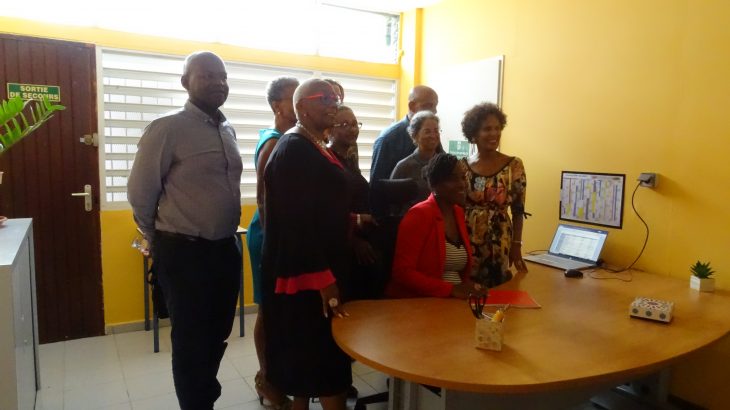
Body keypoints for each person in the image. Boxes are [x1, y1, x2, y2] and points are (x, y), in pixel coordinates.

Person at [127, 51, 242, 410]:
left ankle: (204, 396)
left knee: (218, 332)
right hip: (184, 252)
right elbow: (140, 193)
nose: (218, 83)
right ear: (185, 82)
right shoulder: (167, 129)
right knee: (192, 341)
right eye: (207, 75)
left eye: (223, 76)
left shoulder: (227, 130)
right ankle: (197, 403)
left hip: (225, 249)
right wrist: (158, 239)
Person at [262, 78, 351, 410]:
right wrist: (324, 279)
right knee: (324, 363)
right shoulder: (293, 150)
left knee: (308, 364)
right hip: (309, 276)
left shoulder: (312, 145)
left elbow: (320, 205)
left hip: (321, 265)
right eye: (324, 98)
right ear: (301, 107)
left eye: (335, 98)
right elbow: (296, 222)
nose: (333, 103)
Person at [246, 76, 299, 408]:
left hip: (284, 234)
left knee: (281, 310)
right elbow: (264, 199)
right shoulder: (273, 142)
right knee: (268, 309)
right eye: (293, 99)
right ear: (277, 106)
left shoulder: (294, 138)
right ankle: (266, 379)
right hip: (269, 235)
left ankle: (278, 375)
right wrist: (274, 245)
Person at [386, 153, 480, 299]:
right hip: (422, 303)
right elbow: (402, 272)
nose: (462, 184)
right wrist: (451, 290)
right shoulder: (418, 215)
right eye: (453, 179)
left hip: (453, 303)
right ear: (435, 184)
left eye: (463, 177)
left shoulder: (458, 213)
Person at [460, 102, 528, 288]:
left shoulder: (514, 165)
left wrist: (516, 245)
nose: (494, 133)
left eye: (497, 128)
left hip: (499, 239)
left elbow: (519, 209)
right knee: (467, 290)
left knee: (498, 291)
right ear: (474, 134)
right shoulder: (462, 166)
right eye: (487, 129)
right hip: (467, 238)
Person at [326, 105, 379, 299]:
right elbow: (329, 211)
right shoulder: (328, 161)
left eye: (355, 124)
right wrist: (354, 241)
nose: (352, 129)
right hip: (344, 245)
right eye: (344, 125)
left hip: (361, 239)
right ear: (329, 130)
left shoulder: (349, 159)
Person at [369, 85, 438, 182]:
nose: (435, 111)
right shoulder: (388, 138)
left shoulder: (433, 135)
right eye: (429, 106)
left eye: (435, 106)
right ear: (412, 106)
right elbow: (377, 183)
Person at [389, 111, 441, 215]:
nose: (433, 135)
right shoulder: (403, 166)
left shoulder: (444, 164)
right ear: (415, 135)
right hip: (412, 220)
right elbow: (392, 204)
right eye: (427, 131)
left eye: (436, 131)